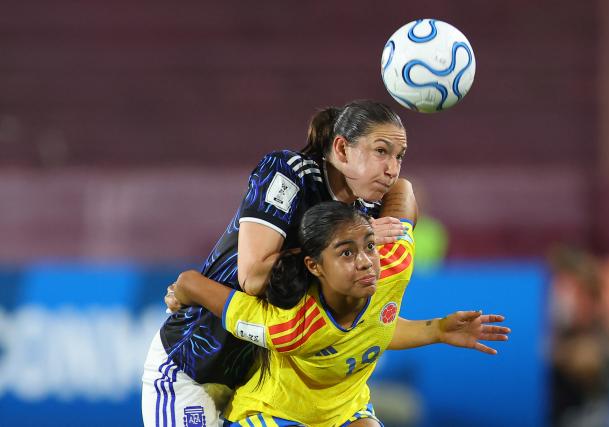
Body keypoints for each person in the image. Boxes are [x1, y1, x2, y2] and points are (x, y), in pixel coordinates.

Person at [142, 100, 413, 426]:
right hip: (196, 366)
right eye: (381, 151)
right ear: (341, 150)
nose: (392, 168)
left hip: (260, 384)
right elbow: (253, 276)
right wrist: (357, 237)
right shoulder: (288, 173)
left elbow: (404, 191)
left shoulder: (364, 208)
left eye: (399, 156)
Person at [171, 199, 510, 426]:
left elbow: (374, 330)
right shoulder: (291, 327)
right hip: (277, 415)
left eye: (369, 245)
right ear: (314, 266)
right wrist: (181, 291)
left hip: (345, 409)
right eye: (346, 253)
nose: (365, 260)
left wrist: (437, 330)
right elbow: (194, 284)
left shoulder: (393, 264)